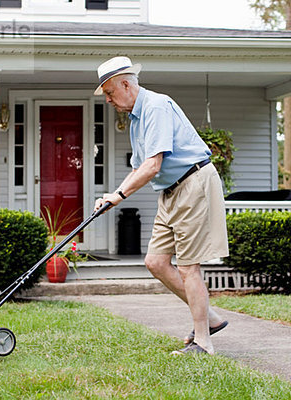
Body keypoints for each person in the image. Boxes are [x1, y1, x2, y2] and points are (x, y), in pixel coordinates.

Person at [93, 56, 229, 355]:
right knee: (155, 262)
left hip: (193, 183)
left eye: (110, 92)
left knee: (188, 267)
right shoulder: (135, 119)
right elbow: (139, 166)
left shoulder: (155, 106)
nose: (108, 99)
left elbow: (153, 165)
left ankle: (204, 342)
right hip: (170, 191)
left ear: (126, 84)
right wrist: (112, 194)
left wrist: (119, 196)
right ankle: (211, 318)